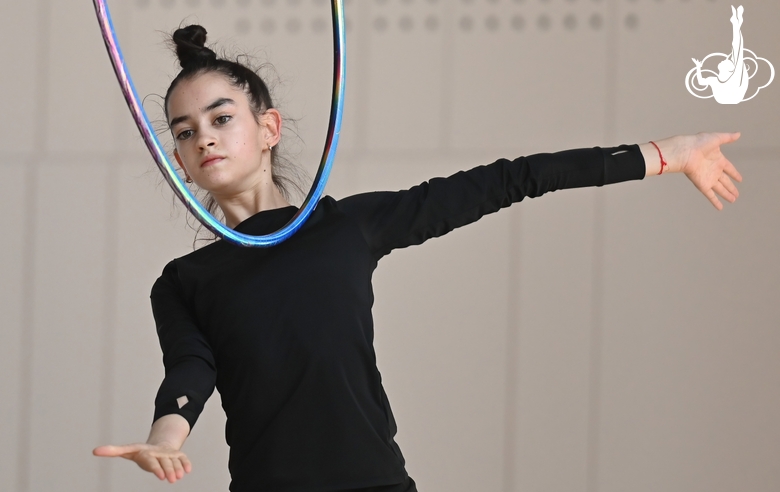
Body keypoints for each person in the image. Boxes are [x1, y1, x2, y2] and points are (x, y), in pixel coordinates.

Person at [93, 24, 742, 492]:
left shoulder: (348, 227)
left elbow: (508, 179)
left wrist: (662, 155)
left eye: (220, 117)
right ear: (177, 161)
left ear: (268, 129)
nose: (203, 136)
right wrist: (165, 439)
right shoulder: (184, 282)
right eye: (184, 131)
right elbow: (190, 369)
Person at [692, 5, 749, 104]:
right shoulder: (718, 80)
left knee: (737, 51)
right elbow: (701, 82)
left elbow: (701, 82)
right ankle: (736, 24)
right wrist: (698, 67)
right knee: (737, 52)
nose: (724, 59)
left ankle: (736, 23)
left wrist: (698, 67)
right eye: (728, 61)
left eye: (727, 61)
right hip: (731, 97)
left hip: (731, 96)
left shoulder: (722, 79)